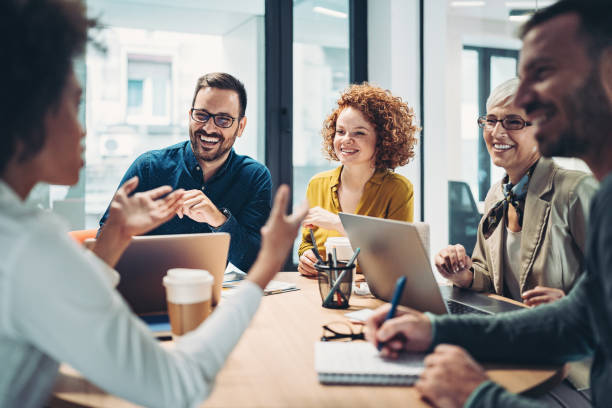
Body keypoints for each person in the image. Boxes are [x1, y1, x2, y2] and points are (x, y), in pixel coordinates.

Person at [0, 1, 306, 407]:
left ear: (240, 126)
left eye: (223, 120)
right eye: (74, 106)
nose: (84, 128)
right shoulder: (31, 244)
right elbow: (177, 387)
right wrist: (267, 266)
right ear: (32, 114)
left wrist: (116, 240)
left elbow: (44, 332)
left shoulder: (18, 236)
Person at [365, 1, 612, 407]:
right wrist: (434, 331)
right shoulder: (606, 202)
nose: (526, 99)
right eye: (491, 119)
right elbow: (574, 323)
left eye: (544, 73)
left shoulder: (584, 193)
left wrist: (477, 396)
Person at [435, 78, 597, 305]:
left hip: (565, 334)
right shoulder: (497, 195)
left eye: (513, 122)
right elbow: (491, 278)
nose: (497, 132)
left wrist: (571, 304)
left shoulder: (577, 191)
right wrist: (462, 274)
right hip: (512, 331)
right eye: (491, 120)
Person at [99, 72, 272, 272]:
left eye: (223, 120)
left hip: (211, 296)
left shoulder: (254, 177)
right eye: (201, 115)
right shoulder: (148, 167)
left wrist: (219, 220)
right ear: (190, 116)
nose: (208, 128)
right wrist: (127, 229)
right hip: (145, 291)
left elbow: (256, 263)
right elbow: (102, 241)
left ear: (240, 126)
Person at [298, 83, 419, 276]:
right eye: (340, 131)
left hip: (374, 297)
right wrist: (306, 257)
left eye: (359, 133)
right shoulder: (317, 184)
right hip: (323, 292)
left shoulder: (398, 189)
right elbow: (308, 243)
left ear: (382, 139)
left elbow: (396, 259)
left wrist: (338, 223)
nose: (346, 139)